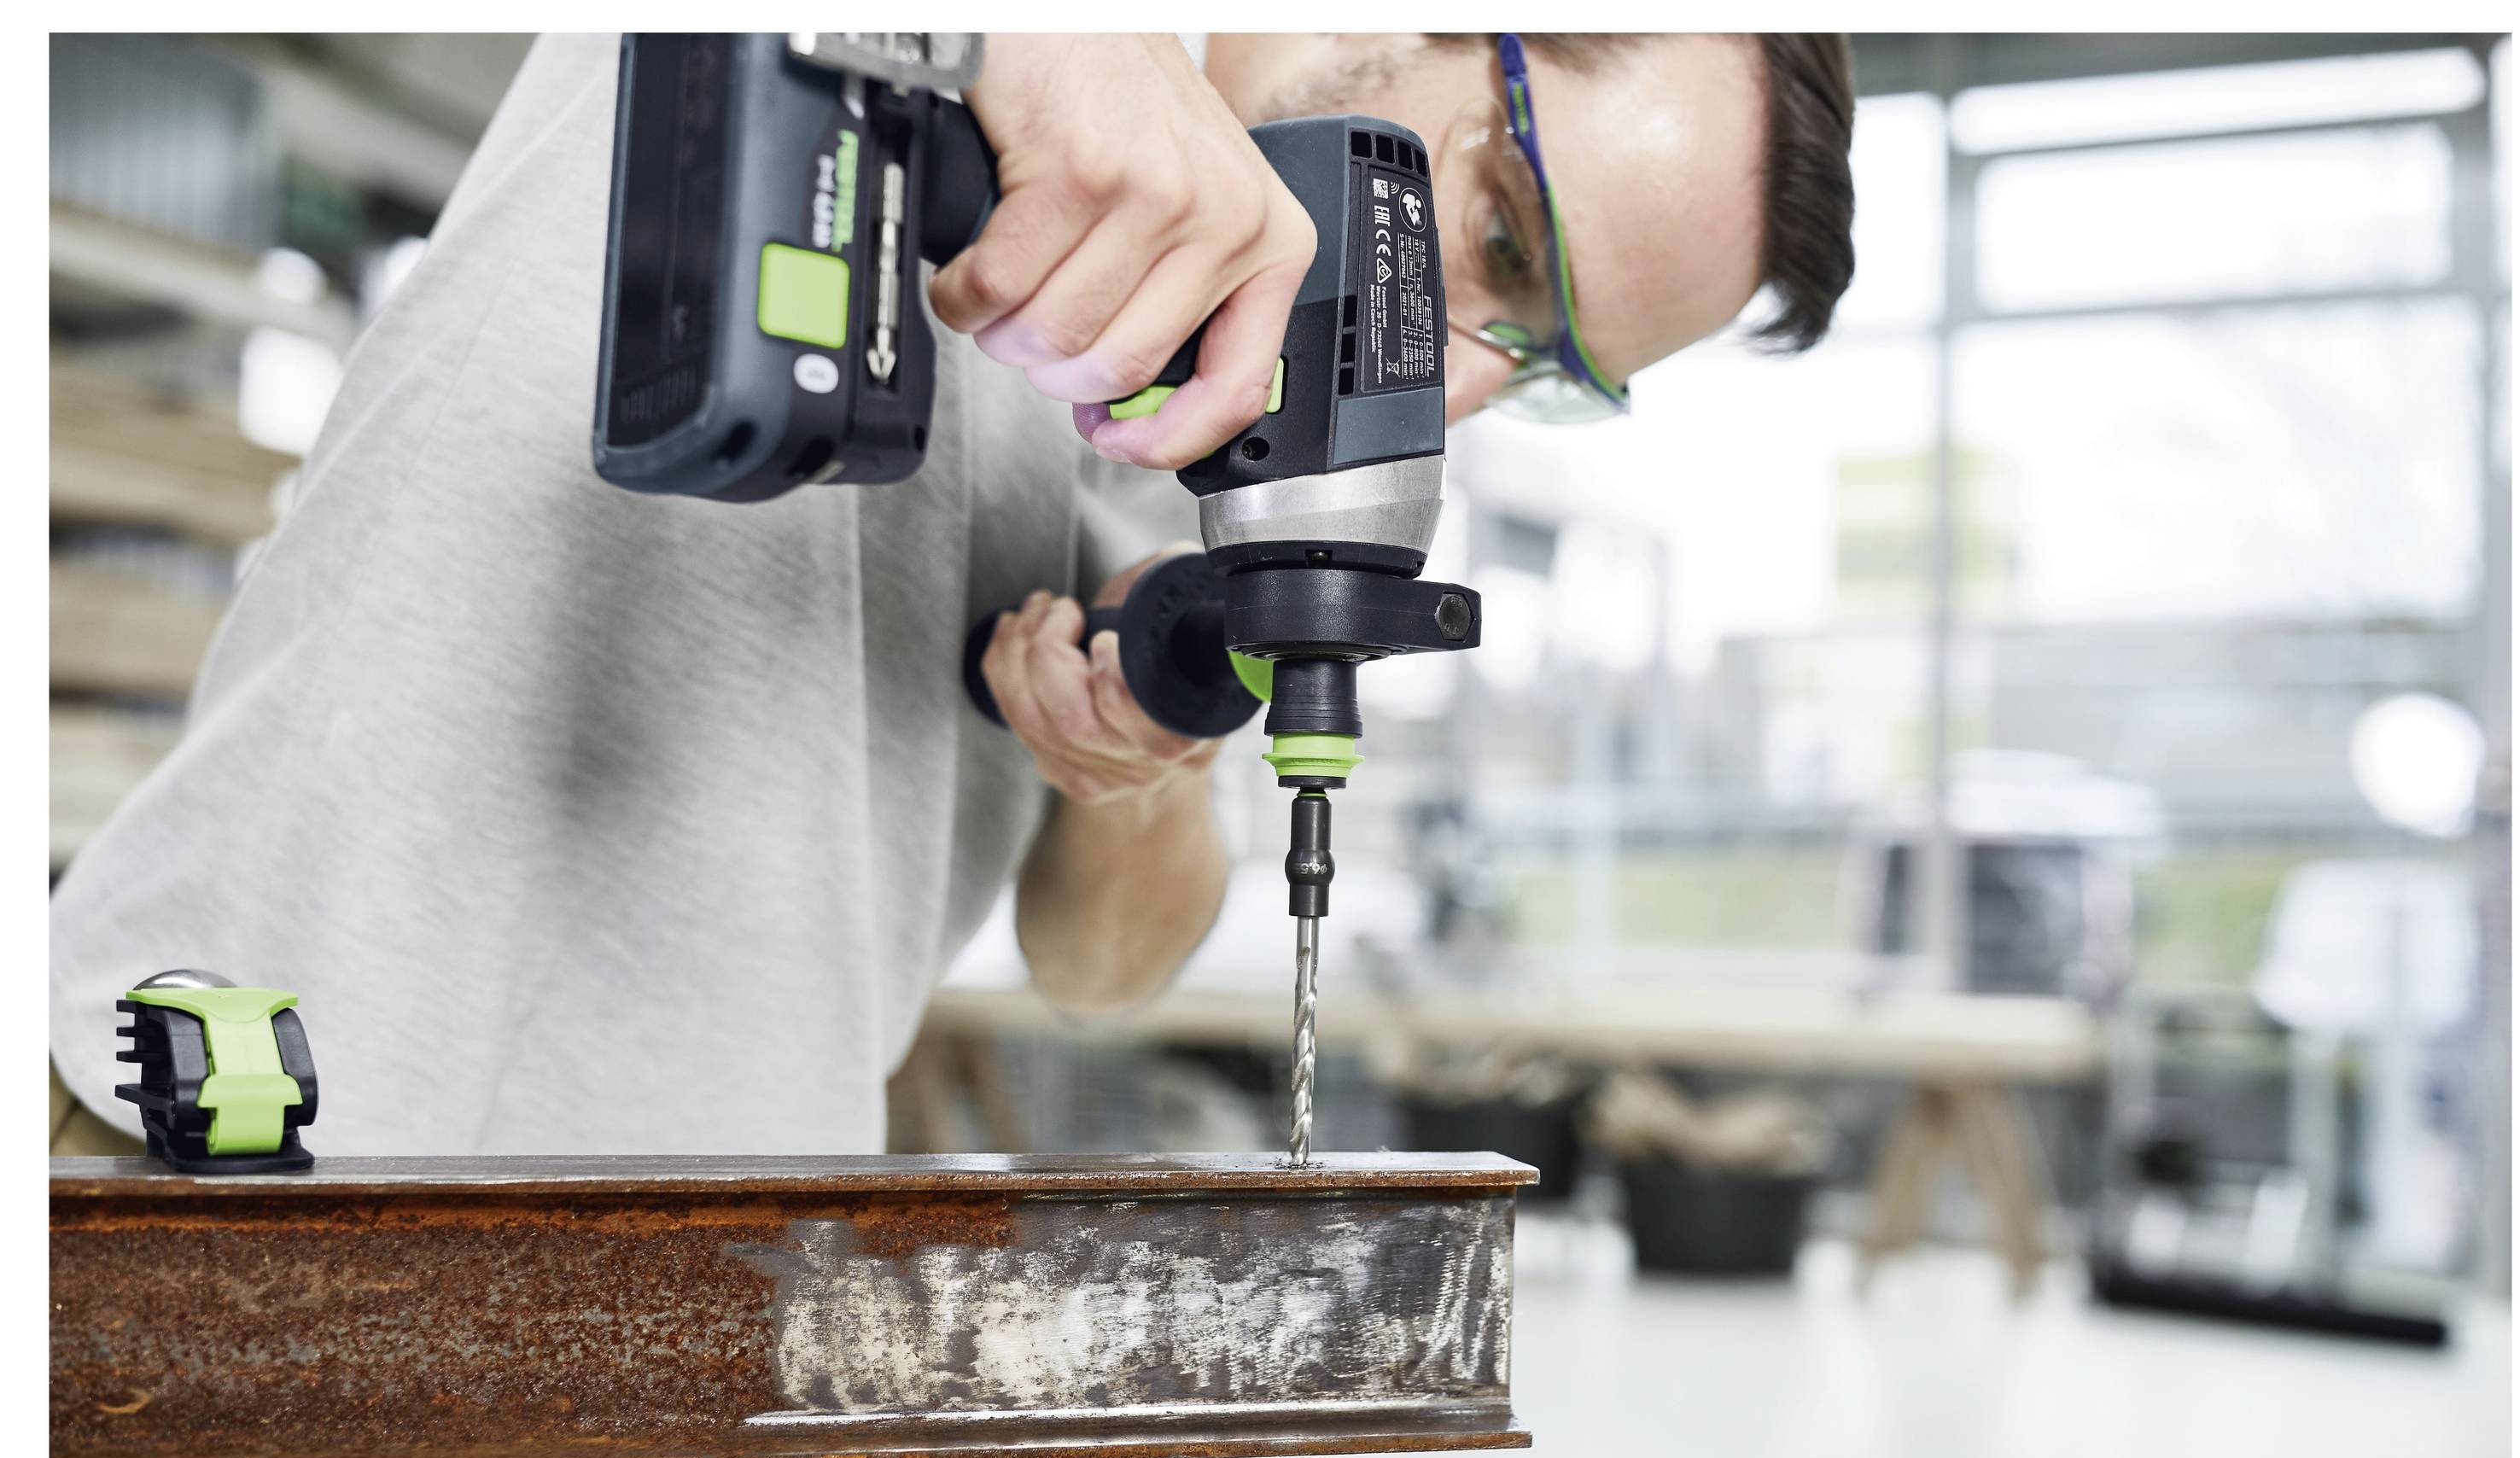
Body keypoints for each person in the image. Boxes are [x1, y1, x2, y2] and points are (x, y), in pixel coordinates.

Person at [47, 32, 1855, 1156]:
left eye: (1541, 362)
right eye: (1500, 249)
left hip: (697, 1261)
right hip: (217, 1127)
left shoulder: (1213, 401)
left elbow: (1100, 962)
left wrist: (1134, 775)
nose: (1457, 379)